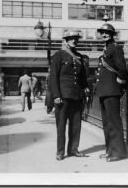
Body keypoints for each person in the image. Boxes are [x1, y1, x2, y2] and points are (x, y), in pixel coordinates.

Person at [50, 30, 90, 161]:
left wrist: (85, 88)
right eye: (71, 39)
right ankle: (60, 151)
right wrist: (56, 95)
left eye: (76, 39)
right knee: (61, 126)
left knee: (75, 125)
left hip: (77, 96)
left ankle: (73, 150)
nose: (74, 41)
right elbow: (53, 77)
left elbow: (82, 77)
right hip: (62, 97)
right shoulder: (58, 56)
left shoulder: (79, 57)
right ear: (65, 41)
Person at [95, 23, 128, 162]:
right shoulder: (106, 49)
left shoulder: (115, 48)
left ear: (112, 35)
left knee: (114, 122)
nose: (104, 34)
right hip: (104, 91)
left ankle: (119, 152)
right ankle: (110, 150)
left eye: (107, 33)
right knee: (107, 123)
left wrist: (120, 81)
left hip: (112, 90)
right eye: (102, 32)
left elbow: (122, 68)